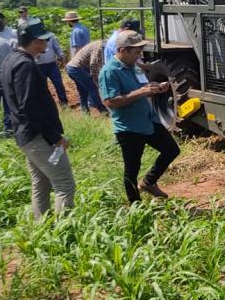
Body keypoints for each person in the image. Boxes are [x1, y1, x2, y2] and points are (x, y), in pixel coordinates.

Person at [0, 18, 76, 220]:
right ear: (35, 41)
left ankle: (41, 229)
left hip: (25, 135)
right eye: (44, 40)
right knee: (65, 185)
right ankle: (64, 235)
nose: (46, 44)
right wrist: (54, 138)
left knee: (41, 183)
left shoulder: (11, 59)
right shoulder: (25, 65)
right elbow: (29, 107)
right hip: (38, 137)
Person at [100, 30, 179, 203]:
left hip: (148, 121)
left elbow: (141, 89)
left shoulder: (133, 67)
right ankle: (136, 207)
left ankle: (149, 182)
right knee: (132, 169)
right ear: (123, 50)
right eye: (136, 52)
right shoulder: (109, 71)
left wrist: (155, 88)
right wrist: (141, 91)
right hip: (129, 128)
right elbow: (111, 101)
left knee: (172, 149)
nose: (139, 55)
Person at [66, 40, 108, 114]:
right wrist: (97, 82)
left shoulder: (100, 45)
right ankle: (103, 111)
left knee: (83, 92)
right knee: (93, 88)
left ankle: (85, 112)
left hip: (72, 68)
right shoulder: (99, 47)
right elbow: (93, 65)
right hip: (77, 68)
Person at [34, 29, 69, 107]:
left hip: (52, 65)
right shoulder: (33, 37)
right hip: (39, 66)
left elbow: (57, 47)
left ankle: (64, 103)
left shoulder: (51, 35)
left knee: (58, 84)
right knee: (42, 87)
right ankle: (45, 105)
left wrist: (61, 55)